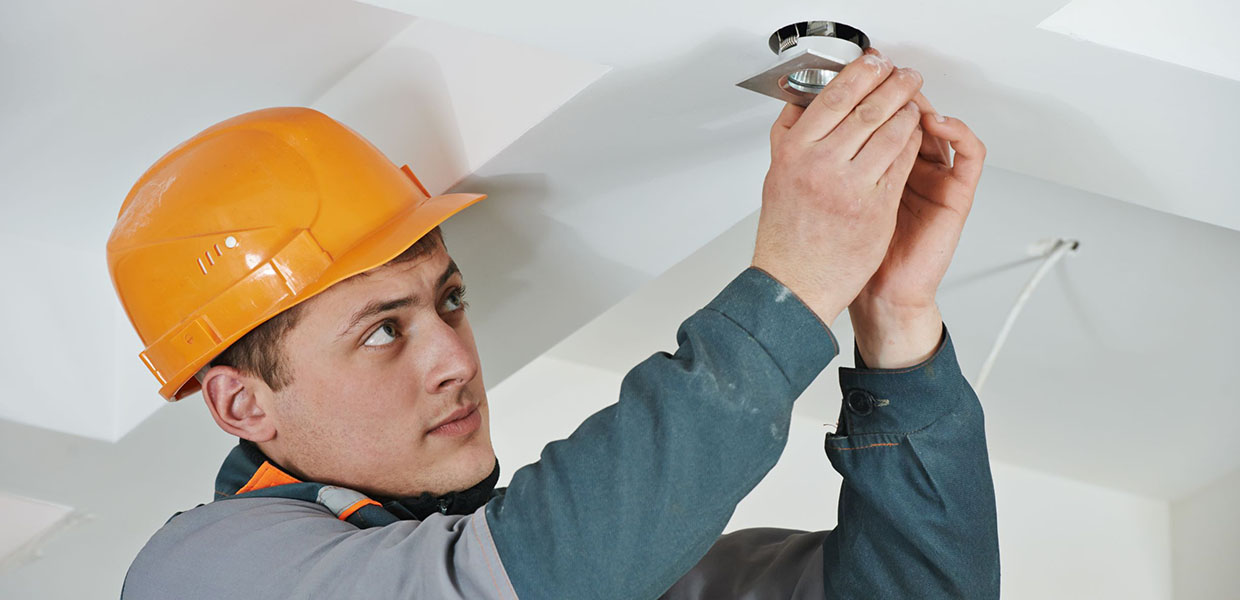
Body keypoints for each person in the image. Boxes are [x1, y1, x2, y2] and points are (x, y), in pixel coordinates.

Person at [111, 46, 998, 598]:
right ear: (240, 406)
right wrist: (795, 283)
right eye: (384, 329)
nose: (455, 357)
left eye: (448, 302)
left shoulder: (611, 567)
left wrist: (893, 321)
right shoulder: (202, 574)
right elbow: (540, 571)